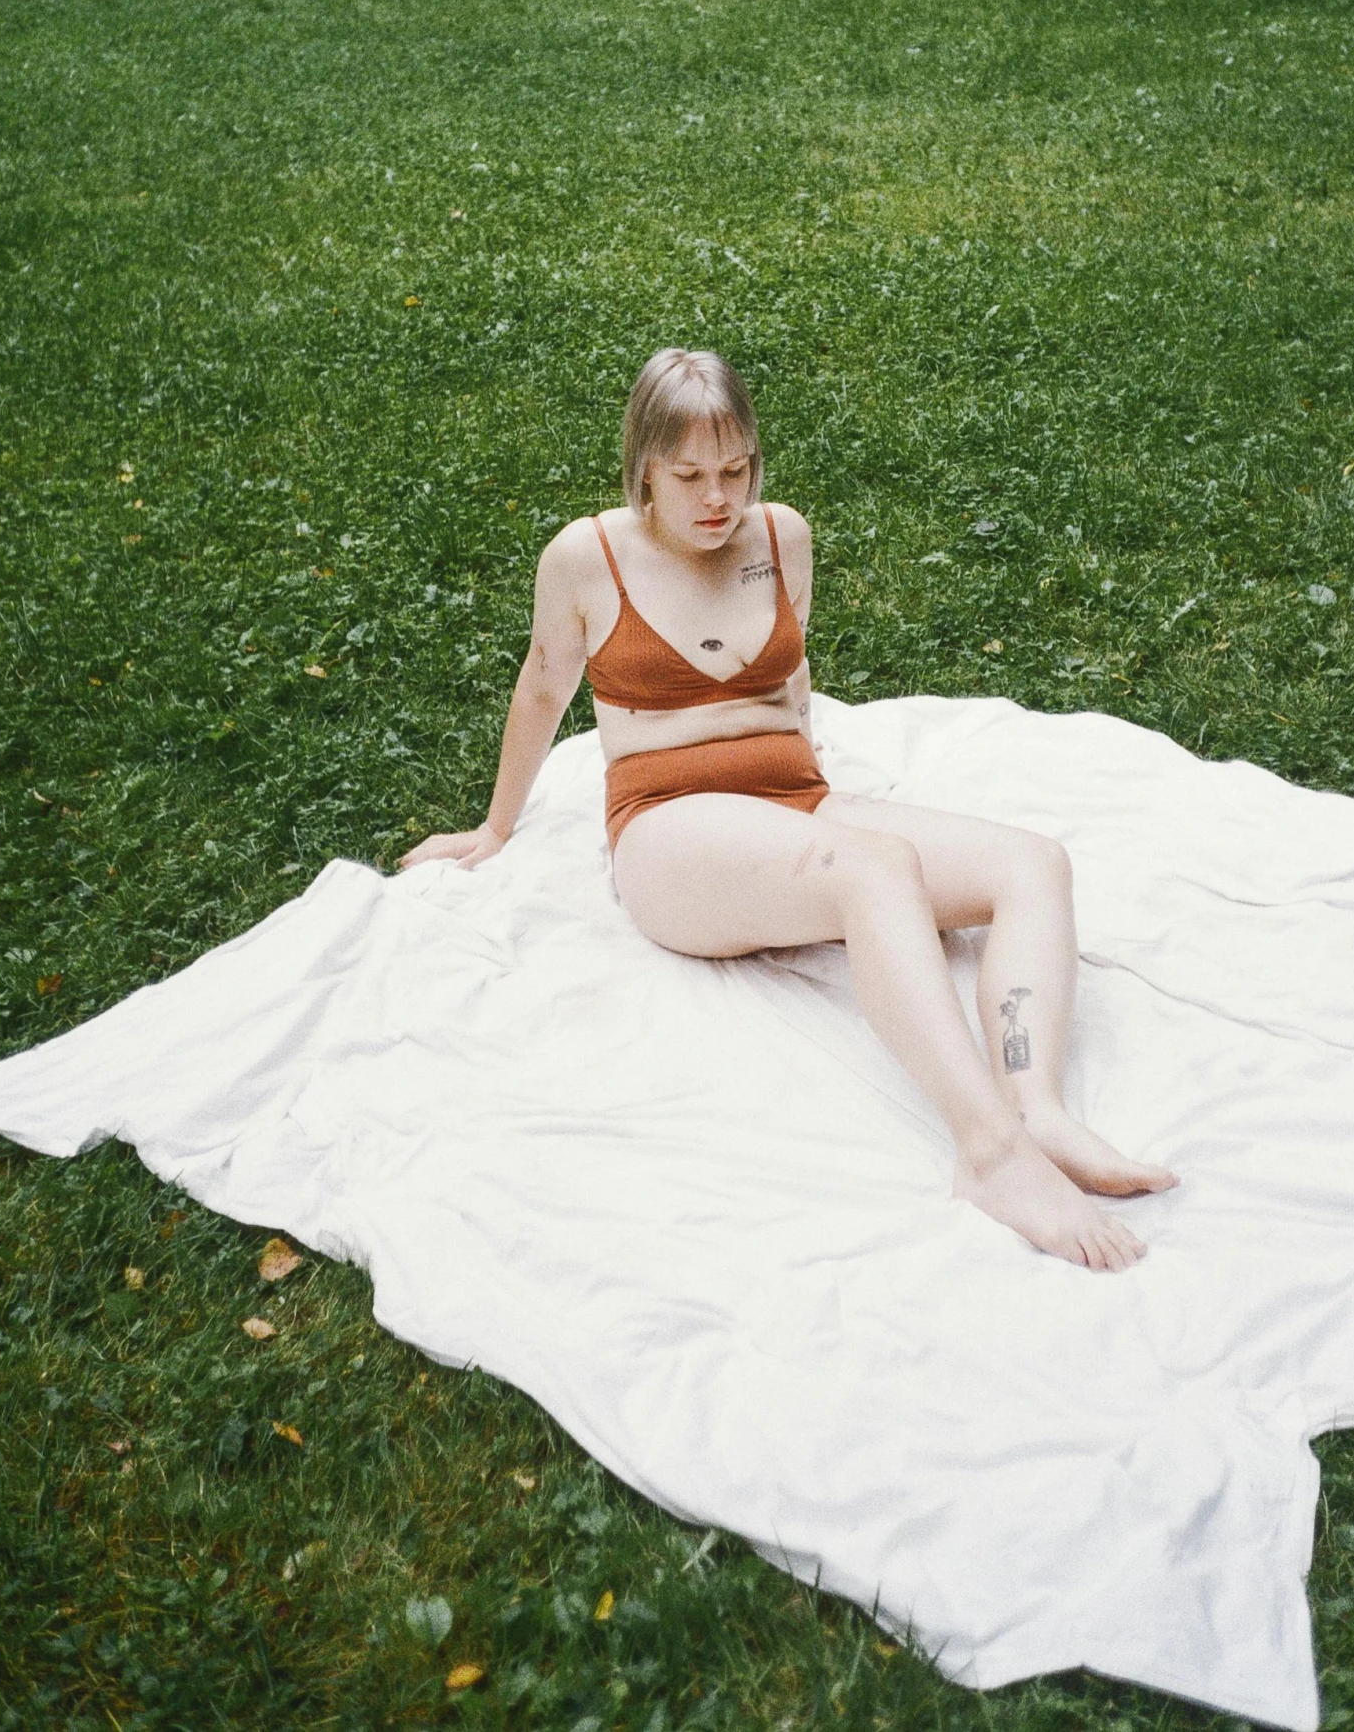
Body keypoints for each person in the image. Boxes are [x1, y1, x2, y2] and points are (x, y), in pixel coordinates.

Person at [402, 347, 1176, 1269]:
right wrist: (495, 828)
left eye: (736, 470)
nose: (716, 499)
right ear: (643, 466)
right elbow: (541, 689)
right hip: (667, 825)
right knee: (878, 867)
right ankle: (991, 1155)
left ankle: (1034, 1106)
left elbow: (790, 679)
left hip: (792, 802)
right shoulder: (587, 557)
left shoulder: (783, 538)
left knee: (1031, 861)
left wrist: (813, 783)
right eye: (688, 475)